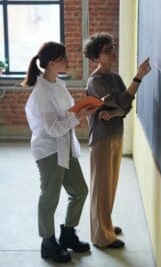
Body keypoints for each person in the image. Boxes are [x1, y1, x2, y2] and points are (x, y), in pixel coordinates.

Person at [22, 41, 90, 263]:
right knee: (50, 197)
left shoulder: (58, 84)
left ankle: (68, 234)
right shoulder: (41, 93)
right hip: (49, 150)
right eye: (63, 58)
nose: (67, 61)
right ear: (51, 63)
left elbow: (67, 112)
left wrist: (81, 110)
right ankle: (48, 243)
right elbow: (52, 129)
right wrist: (78, 117)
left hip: (65, 146)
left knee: (79, 190)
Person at [83, 32, 151, 249]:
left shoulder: (115, 77)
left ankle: (106, 224)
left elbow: (125, 106)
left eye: (112, 47)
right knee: (100, 188)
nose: (112, 52)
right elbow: (122, 100)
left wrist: (116, 112)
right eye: (107, 50)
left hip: (116, 133)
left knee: (110, 185)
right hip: (102, 138)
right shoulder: (96, 81)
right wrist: (138, 78)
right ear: (96, 56)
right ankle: (101, 236)